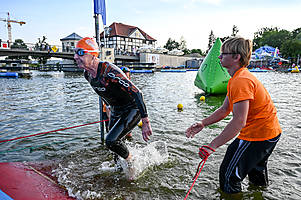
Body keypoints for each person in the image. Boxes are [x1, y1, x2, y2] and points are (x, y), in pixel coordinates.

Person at [185, 37, 282, 194]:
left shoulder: (241, 81)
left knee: (229, 176)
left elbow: (239, 121)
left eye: (223, 54)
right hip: (270, 133)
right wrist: (203, 123)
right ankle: (260, 193)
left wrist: (213, 145)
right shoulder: (237, 78)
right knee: (256, 171)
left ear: (236, 57)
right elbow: (225, 110)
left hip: (258, 135)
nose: (219, 57)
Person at [74, 37, 152, 167]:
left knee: (110, 141)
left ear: (93, 55)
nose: (76, 57)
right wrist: (109, 108)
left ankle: (132, 163)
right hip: (115, 109)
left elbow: (137, 92)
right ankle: (120, 172)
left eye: (81, 53)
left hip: (132, 108)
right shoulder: (87, 74)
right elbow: (104, 92)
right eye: (75, 52)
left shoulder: (109, 71)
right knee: (114, 147)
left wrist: (145, 121)